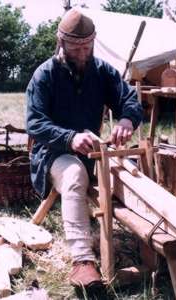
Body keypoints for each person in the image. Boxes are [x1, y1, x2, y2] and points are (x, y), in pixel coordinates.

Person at [26, 8, 143, 288]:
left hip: (92, 151)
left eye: (87, 46)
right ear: (61, 43)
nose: (82, 52)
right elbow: (34, 123)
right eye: (75, 47)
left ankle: (147, 243)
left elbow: (128, 98)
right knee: (75, 173)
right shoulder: (45, 75)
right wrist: (69, 138)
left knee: (133, 170)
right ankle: (82, 261)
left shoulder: (101, 70)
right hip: (52, 154)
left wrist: (127, 118)